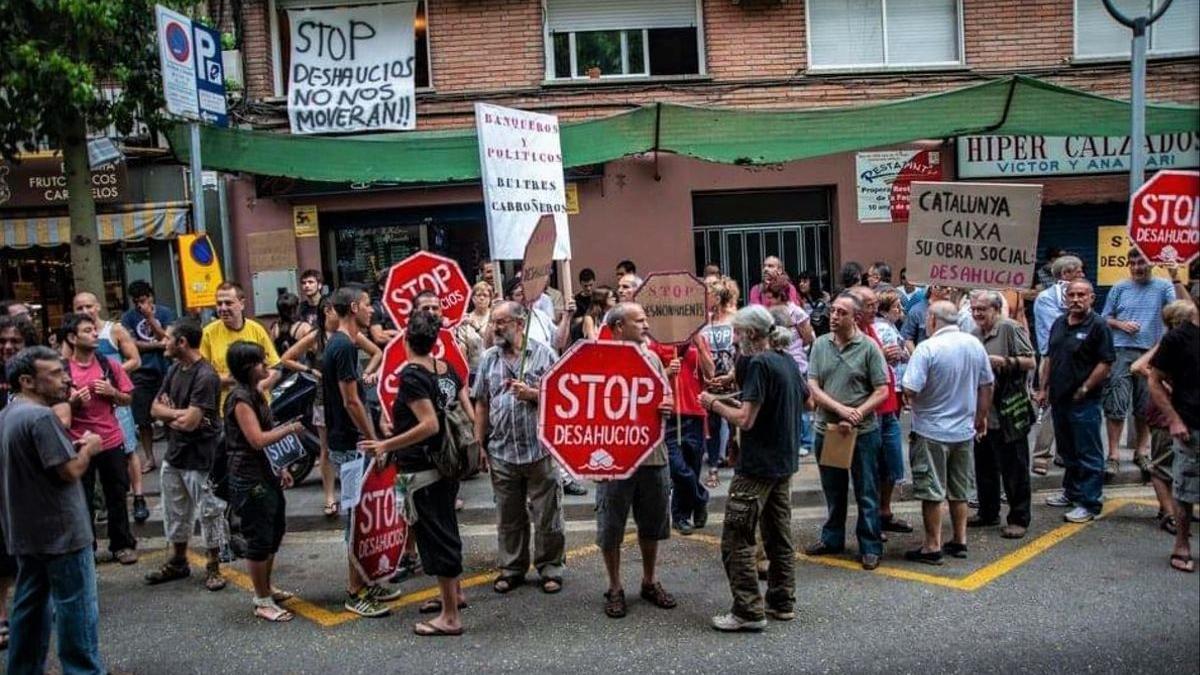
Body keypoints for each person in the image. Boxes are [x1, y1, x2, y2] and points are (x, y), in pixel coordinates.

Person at [359, 311, 471, 635]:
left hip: (425, 468)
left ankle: (449, 617)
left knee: (437, 538)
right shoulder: (443, 368)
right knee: (446, 530)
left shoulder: (412, 376)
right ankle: (455, 595)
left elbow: (429, 425)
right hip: (444, 464)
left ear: (406, 340)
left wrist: (387, 444)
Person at [0, 346, 105, 671]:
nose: (66, 379)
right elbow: (69, 471)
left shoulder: (9, 413)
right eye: (56, 374)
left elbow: (38, 463)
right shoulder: (41, 417)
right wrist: (89, 448)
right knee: (78, 614)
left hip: (29, 533)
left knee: (29, 610)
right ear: (28, 380)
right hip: (63, 534)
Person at [700, 305, 804, 632]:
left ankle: (747, 610)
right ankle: (781, 601)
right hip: (783, 463)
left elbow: (746, 418)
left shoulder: (759, 362)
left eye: (738, 332)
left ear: (753, 334)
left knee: (737, 536)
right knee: (778, 535)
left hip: (757, 467)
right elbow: (804, 398)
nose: (734, 339)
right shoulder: (785, 359)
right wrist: (734, 389)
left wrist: (713, 403)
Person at [473, 301, 567, 595]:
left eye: (502, 322)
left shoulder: (544, 354)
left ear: (519, 323)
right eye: (493, 322)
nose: (496, 328)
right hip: (502, 451)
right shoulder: (489, 359)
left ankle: (551, 568)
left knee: (547, 515)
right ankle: (512, 568)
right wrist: (480, 443)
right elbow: (481, 402)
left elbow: (563, 398)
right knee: (508, 516)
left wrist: (534, 394)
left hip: (539, 449)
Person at [321, 286, 401, 617]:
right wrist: (373, 440)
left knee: (366, 516)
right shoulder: (341, 346)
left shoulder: (346, 343)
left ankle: (367, 579)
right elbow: (351, 401)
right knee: (356, 518)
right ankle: (355, 591)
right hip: (352, 446)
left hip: (353, 442)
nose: (373, 311)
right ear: (354, 307)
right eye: (368, 305)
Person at [595, 303, 677, 619]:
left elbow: (664, 395)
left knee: (653, 521)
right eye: (639, 320)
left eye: (646, 318)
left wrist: (666, 404)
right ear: (618, 326)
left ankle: (649, 579)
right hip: (612, 457)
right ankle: (614, 587)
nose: (646, 324)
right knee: (611, 524)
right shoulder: (598, 359)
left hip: (653, 454)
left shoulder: (653, 357)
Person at [902, 301, 994, 565]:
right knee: (959, 488)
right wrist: (981, 417)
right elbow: (987, 384)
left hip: (931, 430)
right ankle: (960, 539)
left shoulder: (927, 348)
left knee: (932, 490)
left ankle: (932, 545)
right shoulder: (974, 345)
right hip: (963, 430)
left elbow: (911, 389)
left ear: (932, 320)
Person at [805, 292, 889, 570]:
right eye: (833, 311)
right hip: (828, 428)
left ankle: (870, 545)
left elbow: (882, 390)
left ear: (856, 317)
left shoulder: (868, 348)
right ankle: (832, 538)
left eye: (841, 312)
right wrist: (842, 411)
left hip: (862, 432)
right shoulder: (819, 345)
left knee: (866, 489)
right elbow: (814, 386)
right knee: (833, 488)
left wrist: (858, 413)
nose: (834, 316)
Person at [146, 318, 228, 591]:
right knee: (175, 511)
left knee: (209, 511)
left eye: (168, 337)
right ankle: (179, 561)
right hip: (175, 454)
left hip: (201, 457)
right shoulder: (174, 370)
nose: (163, 342)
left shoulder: (205, 376)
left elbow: (191, 422)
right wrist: (175, 416)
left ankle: (214, 566)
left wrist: (169, 415)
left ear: (182, 342)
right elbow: (154, 408)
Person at [281, 298, 382, 518]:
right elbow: (286, 359)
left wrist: (366, 374)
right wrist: (310, 371)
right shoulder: (317, 337)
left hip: (349, 395)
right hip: (324, 398)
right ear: (328, 311)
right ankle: (329, 496)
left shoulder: (349, 337)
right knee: (326, 448)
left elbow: (376, 352)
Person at [223, 341, 301, 622]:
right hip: (248, 477)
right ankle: (261, 599)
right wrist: (289, 429)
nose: (265, 363)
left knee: (274, 530)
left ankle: (267, 588)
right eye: (260, 361)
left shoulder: (257, 393)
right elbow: (257, 440)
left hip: (266, 473)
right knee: (259, 537)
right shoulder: (240, 399)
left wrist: (281, 467)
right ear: (248, 367)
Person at [57, 312, 138, 565]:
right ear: (72, 338)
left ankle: (122, 544)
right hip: (78, 443)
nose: (95, 334)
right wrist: (73, 402)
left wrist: (112, 392)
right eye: (87, 331)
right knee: (81, 497)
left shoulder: (108, 364)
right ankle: (86, 548)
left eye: (94, 329)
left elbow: (128, 397)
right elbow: (53, 408)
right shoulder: (61, 370)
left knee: (116, 493)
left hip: (111, 439)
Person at [1099, 249, 1188, 481]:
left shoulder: (1163, 287)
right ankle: (1114, 455)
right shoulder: (1119, 288)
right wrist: (1120, 324)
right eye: (1133, 263)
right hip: (1120, 350)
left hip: (1150, 352)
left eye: (1142, 263)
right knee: (1116, 403)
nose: (1138, 267)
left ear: (1151, 265)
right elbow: (1104, 318)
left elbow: (1178, 309)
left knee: (1144, 405)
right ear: (1128, 265)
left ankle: (1142, 452)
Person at [1036, 280, 1115, 524]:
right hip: (1059, 398)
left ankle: (1090, 503)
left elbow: (1105, 363)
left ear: (1092, 298)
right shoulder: (1060, 323)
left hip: (1084, 400)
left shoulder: (1099, 326)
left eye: (1082, 295)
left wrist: (1085, 387)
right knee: (1068, 449)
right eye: (1071, 295)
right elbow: (1050, 357)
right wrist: (1043, 388)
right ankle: (1072, 492)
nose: (1076, 299)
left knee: (1088, 452)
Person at [70, 291, 148, 524]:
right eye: (79, 308)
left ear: (98, 306)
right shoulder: (71, 338)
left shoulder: (114, 330)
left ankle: (139, 496)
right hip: (85, 414)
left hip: (113, 400)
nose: (85, 311)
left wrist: (112, 378)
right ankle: (101, 505)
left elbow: (135, 359)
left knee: (128, 449)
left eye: (89, 306)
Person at [969, 290, 1036, 539]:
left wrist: (1005, 362)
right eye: (974, 310)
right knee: (984, 463)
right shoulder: (974, 334)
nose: (977, 314)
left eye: (982, 310)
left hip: (1009, 408)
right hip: (984, 409)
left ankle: (1019, 517)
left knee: (1014, 466)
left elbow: (1031, 362)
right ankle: (988, 511)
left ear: (996, 310)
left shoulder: (1010, 328)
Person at [1131, 301, 1196, 536]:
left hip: (1181, 411)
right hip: (1163, 413)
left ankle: (1175, 509)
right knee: (1163, 466)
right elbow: (1138, 366)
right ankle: (1168, 513)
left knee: (1181, 465)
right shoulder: (1168, 343)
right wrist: (1165, 385)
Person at [1146, 298, 1200, 573]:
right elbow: (1153, 380)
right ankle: (1182, 544)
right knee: (1185, 489)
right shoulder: (1177, 339)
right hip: (1191, 425)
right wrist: (1175, 420)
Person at [856, 287, 912, 538]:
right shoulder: (856, 333)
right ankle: (870, 525)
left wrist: (895, 356)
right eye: (869, 305)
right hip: (871, 410)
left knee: (891, 464)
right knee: (870, 469)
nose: (874, 309)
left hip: (889, 406)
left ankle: (884, 513)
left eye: (875, 305)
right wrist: (883, 355)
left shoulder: (875, 329)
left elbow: (891, 360)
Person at [655, 331, 714, 536]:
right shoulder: (657, 341)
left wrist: (699, 345)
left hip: (695, 412)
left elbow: (710, 373)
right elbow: (650, 377)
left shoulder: (699, 341)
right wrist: (668, 371)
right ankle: (700, 499)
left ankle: (682, 515)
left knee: (693, 465)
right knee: (676, 467)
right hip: (669, 414)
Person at [1031, 255, 1085, 475]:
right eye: (1078, 271)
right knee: (1051, 406)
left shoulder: (1079, 295)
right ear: (1065, 274)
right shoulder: (1046, 298)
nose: (1082, 275)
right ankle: (1041, 455)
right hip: (1053, 357)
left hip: (1079, 357)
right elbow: (1059, 326)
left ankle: (1065, 452)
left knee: (1075, 405)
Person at [0, 315, 36, 648]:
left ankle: (32, 611)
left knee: (24, 554)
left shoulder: (35, 380)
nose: (8, 347)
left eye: (15, 342)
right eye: (3, 342)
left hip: (28, 478)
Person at [121, 280, 175, 475]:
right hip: (141, 374)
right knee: (143, 420)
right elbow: (131, 344)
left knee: (169, 414)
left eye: (143, 300)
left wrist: (151, 318)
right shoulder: (128, 318)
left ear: (151, 297)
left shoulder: (165, 313)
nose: (139, 305)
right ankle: (150, 457)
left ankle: (171, 454)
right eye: (136, 301)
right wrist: (158, 345)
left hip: (165, 371)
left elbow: (167, 339)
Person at [200, 281, 281, 410]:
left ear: (242, 304)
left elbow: (275, 368)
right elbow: (202, 376)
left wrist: (260, 385)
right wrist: (234, 380)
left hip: (259, 407)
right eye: (219, 304)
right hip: (226, 411)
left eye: (228, 303)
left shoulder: (256, 329)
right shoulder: (208, 333)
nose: (223, 308)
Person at [702, 277, 737, 487]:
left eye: (708, 295)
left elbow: (742, 350)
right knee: (713, 423)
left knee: (735, 424)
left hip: (732, 378)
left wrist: (732, 375)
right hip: (711, 379)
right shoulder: (704, 321)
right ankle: (713, 466)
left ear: (716, 297)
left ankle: (735, 458)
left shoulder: (735, 318)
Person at [901, 283, 952, 352]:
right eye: (944, 286)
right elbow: (907, 338)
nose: (949, 289)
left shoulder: (951, 310)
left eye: (951, 286)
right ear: (933, 288)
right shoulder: (917, 311)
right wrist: (918, 358)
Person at [270, 291, 311, 358]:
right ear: (296, 308)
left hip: (281, 366)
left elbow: (271, 351)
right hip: (301, 366)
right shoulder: (304, 327)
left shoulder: (274, 328)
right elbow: (314, 350)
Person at [796, 271, 830, 337]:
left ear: (812, 283)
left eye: (805, 282)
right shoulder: (799, 300)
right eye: (800, 282)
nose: (801, 284)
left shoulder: (824, 297)